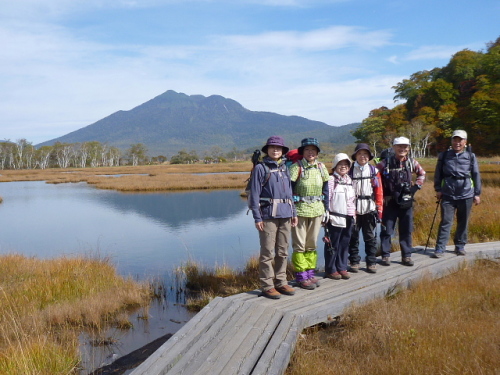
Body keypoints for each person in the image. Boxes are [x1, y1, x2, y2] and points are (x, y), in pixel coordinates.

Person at [249, 136, 298, 299]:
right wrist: (257, 217)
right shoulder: (260, 168)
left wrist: (294, 213)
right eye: (272, 147)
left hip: (286, 214)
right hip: (268, 215)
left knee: (283, 251)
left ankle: (281, 282)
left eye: (279, 148)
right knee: (267, 252)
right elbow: (254, 194)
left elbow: (290, 193)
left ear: (283, 151)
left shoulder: (285, 168)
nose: (275, 150)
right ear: (267, 150)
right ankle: (267, 285)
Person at [376, 137, 426, 266]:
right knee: (387, 230)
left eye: (405, 147)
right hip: (390, 202)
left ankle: (406, 256)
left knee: (406, 229)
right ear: (394, 147)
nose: (402, 149)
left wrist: (415, 188)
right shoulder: (385, 163)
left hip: (406, 202)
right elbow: (374, 175)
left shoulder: (412, 162)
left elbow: (422, 174)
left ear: (408, 149)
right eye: (399, 146)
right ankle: (385, 255)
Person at [432, 130, 481, 257]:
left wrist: (477, 193)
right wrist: (438, 189)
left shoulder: (471, 156)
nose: (457, 142)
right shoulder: (444, 156)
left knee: (463, 221)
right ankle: (440, 248)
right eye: (455, 139)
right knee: (446, 221)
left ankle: (459, 246)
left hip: (466, 193)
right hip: (448, 193)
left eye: (460, 140)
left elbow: (476, 175)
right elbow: (438, 174)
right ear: (452, 141)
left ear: (465, 142)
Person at [289, 138, 330, 289]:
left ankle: (310, 273)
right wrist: (291, 210)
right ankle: (301, 276)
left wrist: (327, 209)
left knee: (312, 243)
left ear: (317, 152)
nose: (310, 152)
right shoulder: (296, 167)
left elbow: (326, 189)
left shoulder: (321, 167)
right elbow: (289, 189)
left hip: (317, 210)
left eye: (313, 150)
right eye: (307, 150)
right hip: (299, 211)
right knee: (299, 244)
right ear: (302, 152)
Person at [348, 143, 383, 274]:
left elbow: (379, 191)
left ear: (369, 156)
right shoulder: (350, 171)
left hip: (369, 208)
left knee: (370, 237)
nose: (363, 156)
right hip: (353, 210)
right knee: (353, 237)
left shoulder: (374, 171)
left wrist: (379, 209)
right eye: (360, 154)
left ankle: (371, 262)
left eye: (365, 154)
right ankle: (354, 261)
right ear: (355, 156)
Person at [323, 153, 356, 280]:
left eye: (346, 164)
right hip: (335, 217)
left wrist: (353, 216)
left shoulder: (349, 180)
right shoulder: (331, 180)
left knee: (344, 243)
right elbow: (327, 198)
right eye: (340, 164)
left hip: (348, 217)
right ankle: (331, 269)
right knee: (333, 244)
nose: (343, 166)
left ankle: (342, 267)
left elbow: (352, 200)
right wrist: (326, 215)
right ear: (335, 166)